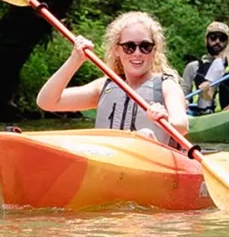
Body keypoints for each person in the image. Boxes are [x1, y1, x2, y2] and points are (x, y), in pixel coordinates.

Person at [36, 11, 189, 145]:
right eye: (129, 47)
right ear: (117, 50)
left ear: (154, 50)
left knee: (145, 135)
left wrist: (165, 118)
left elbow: (182, 125)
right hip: (110, 160)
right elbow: (47, 102)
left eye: (145, 46)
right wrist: (75, 60)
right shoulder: (104, 87)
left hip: (154, 161)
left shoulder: (166, 85)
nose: (137, 53)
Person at [182, 21, 229, 95]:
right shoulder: (193, 67)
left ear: (227, 43)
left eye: (222, 38)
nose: (217, 41)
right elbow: (184, 94)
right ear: (206, 40)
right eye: (213, 37)